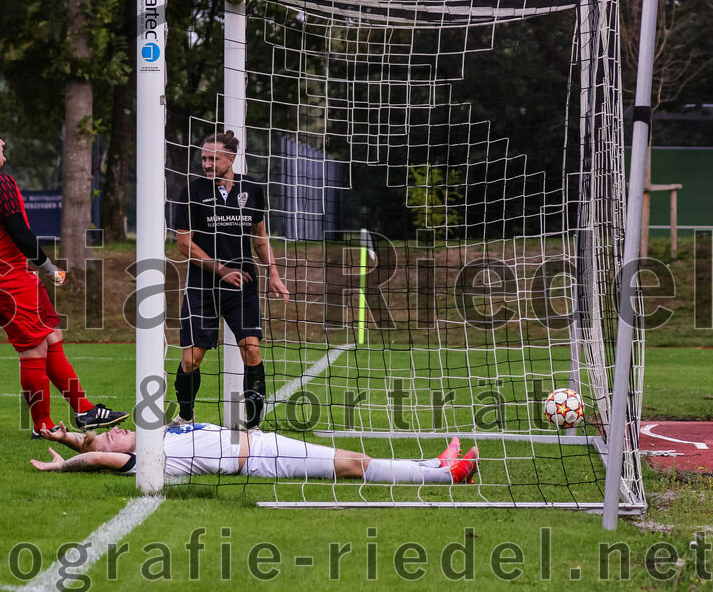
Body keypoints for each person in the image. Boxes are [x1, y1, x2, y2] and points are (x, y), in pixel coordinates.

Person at [0, 119, 127, 434]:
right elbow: (20, 232)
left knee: (50, 336)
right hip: (1, 273)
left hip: (1, 270)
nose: (2, 141)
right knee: (33, 347)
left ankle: (85, 411)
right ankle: (43, 425)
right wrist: (50, 269)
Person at [172, 131, 290, 429]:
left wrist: (273, 273)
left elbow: (260, 237)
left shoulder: (252, 188)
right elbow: (184, 244)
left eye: (214, 159)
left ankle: (253, 425)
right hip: (202, 287)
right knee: (191, 361)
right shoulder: (192, 191)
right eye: (204, 158)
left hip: (243, 286)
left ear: (231, 159)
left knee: (251, 349)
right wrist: (222, 270)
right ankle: (186, 415)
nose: (207, 164)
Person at [30, 422, 480, 484]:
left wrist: (66, 437)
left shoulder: (157, 432)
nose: (117, 432)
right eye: (112, 436)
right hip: (262, 459)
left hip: (262, 442)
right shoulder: (144, 459)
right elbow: (94, 457)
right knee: (352, 466)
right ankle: (449, 476)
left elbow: (87, 444)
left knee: (352, 455)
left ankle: (434, 464)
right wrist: (64, 463)